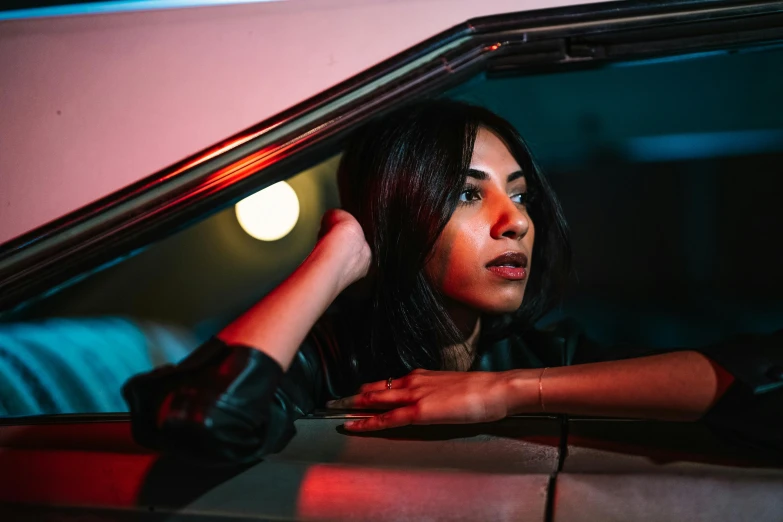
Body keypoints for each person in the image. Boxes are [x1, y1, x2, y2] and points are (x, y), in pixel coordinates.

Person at [123, 100, 783, 466]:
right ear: (393, 216)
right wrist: (340, 251)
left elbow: (765, 384)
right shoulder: (323, 364)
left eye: (519, 196)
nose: (514, 222)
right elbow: (203, 420)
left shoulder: (544, 360)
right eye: (469, 195)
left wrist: (503, 391)